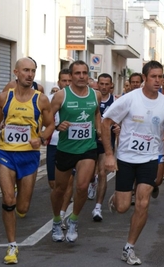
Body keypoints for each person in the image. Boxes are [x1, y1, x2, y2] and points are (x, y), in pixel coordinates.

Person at [103, 60, 164, 265]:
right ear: (144, 78)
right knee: (123, 207)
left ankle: (129, 247)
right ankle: (117, 199)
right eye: (154, 76)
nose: (158, 81)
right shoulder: (129, 99)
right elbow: (106, 121)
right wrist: (109, 154)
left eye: (160, 77)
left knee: (143, 203)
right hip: (126, 158)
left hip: (150, 158)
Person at [0, 57, 54, 264]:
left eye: (33, 71)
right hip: (6, 154)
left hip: (29, 156)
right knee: (8, 200)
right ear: (16, 72)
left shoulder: (41, 100)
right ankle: (12, 246)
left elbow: (50, 125)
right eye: (26, 70)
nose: (30, 75)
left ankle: (21, 195)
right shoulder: (4, 98)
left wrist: (41, 137)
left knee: (23, 207)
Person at [50, 60, 101, 243]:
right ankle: (56, 221)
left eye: (84, 73)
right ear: (70, 76)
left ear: (88, 75)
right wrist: (57, 125)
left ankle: (73, 220)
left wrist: (99, 130)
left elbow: (96, 114)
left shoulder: (95, 95)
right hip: (65, 149)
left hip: (87, 148)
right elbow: (48, 118)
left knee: (81, 187)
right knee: (60, 189)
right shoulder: (61, 96)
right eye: (77, 73)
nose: (81, 76)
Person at [87, 73, 120, 221]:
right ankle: (91, 181)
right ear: (97, 84)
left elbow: (123, 119)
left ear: (111, 85)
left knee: (102, 173)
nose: (104, 87)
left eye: (107, 84)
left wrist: (119, 127)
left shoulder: (116, 101)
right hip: (89, 141)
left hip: (106, 142)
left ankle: (98, 207)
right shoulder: (90, 99)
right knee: (88, 173)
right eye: (102, 84)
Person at [46, 68, 74, 229]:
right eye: (64, 81)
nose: (67, 84)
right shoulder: (50, 99)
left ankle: (62, 215)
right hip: (54, 144)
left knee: (69, 181)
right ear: (59, 82)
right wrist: (54, 127)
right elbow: (45, 121)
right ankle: (59, 209)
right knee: (54, 184)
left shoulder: (81, 98)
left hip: (71, 146)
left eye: (69, 81)